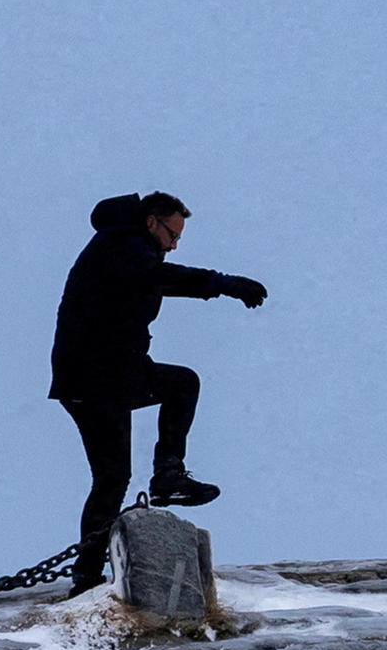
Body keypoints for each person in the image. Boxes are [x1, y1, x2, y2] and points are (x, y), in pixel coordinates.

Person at [49, 190, 265, 582]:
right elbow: (155, 277)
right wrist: (221, 283)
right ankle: (164, 479)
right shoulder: (123, 245)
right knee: (116, 470)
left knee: (117, 470)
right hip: (95, 378)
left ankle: (163, 482)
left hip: (110, 374)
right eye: (172, 234)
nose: (174, 244)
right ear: (152, 222)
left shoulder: (129, 246)